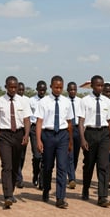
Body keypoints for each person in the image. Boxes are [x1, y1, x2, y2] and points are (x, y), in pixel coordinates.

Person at [0, 76, 31, 209]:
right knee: (6, 165)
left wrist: (26, 134)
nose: (13, 89)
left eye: (15, 87)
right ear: (6, 86)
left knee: (15, 166)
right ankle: (7, 195)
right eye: (11, 87)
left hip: (19, 135)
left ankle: (11, 191)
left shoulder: (23, 102)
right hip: (4, 136)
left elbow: (26, 120)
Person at [35, 75, 73, 208]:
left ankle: (60, 198)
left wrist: (70, 142)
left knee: (62, 167)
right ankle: (46, 189)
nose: (58, 90)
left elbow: (69, 123)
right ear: (51, 87)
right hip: (48, 136)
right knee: (48, 166)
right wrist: (38, 140)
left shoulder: (67, 102)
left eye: (61, 87)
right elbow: (39, 122)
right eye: (56, 87)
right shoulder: (43, 102)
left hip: (62, 136)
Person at [78, 75, 110, 207]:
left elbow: (109, 122)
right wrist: (82, 139)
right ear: (92, 86)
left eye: (102, 85)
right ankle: (85, 188)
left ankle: (102, 197)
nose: (100, 87)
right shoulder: (85, 101)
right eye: (98, 85)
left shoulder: (107, 101)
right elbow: (81, 122)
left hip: (104, 134)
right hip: (90, 134)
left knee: (103, 166)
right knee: (89, 165)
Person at [29, 80, 47, 189]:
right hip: (34, 128)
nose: (42, 92)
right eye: (40, 90)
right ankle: (35, 174)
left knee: (45, 157)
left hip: (45, 129)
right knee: (37, 156)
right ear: (37, 89)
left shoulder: (48, 101)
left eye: (44, 90)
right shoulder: (31, 101)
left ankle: (42, 181)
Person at [66, 82, 81, 189]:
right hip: (67, 129)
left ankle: (72, 173)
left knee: (76, 155)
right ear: (67, 90)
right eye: (71, 90)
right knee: (69, 154)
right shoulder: (64, 101)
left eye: (74, 90)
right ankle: (72, 178)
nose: (73, 91)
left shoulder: (81, 101)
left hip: (78, 129)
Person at [16, 82, 30, 188]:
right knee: (14, 156)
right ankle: (19, 178)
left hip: (23, 131)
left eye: (22, 90)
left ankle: (18, 173)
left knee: (21, 156)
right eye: (19, 90)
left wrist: (27, 134)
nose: (20, 92)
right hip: (13, 132)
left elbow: (27, 119)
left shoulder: (26, 101)